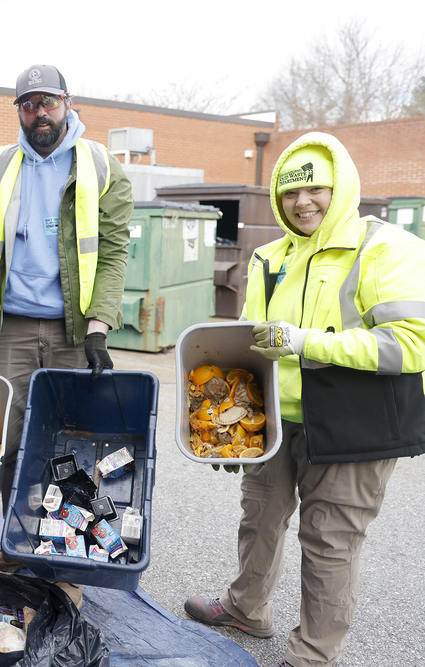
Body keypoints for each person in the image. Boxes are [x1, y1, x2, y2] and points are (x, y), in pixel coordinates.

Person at [184, 132, 425, 667]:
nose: (303, 202)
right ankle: (247, 607)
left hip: (355, 423)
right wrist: (226, 426)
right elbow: (249, 346)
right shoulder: (270, 257)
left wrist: (305, 341)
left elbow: (413, 343)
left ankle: (312, 655)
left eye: (316, 189)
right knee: (260, 517)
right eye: (290, 193)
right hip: (277, 419)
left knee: (329, 541)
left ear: (342, 188)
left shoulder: (387, 249)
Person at [0, 64, 133, 596]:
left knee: (68, 444)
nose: (40, 112)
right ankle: (16, 545)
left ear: (67, 102)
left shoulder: (101, 165)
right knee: (9, 443)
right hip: (11, 325)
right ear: (18, 110)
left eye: (48, 102)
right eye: (29, 103)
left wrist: (99, 330)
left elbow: (114, 250)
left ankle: (66, 566)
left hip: (72, 329)